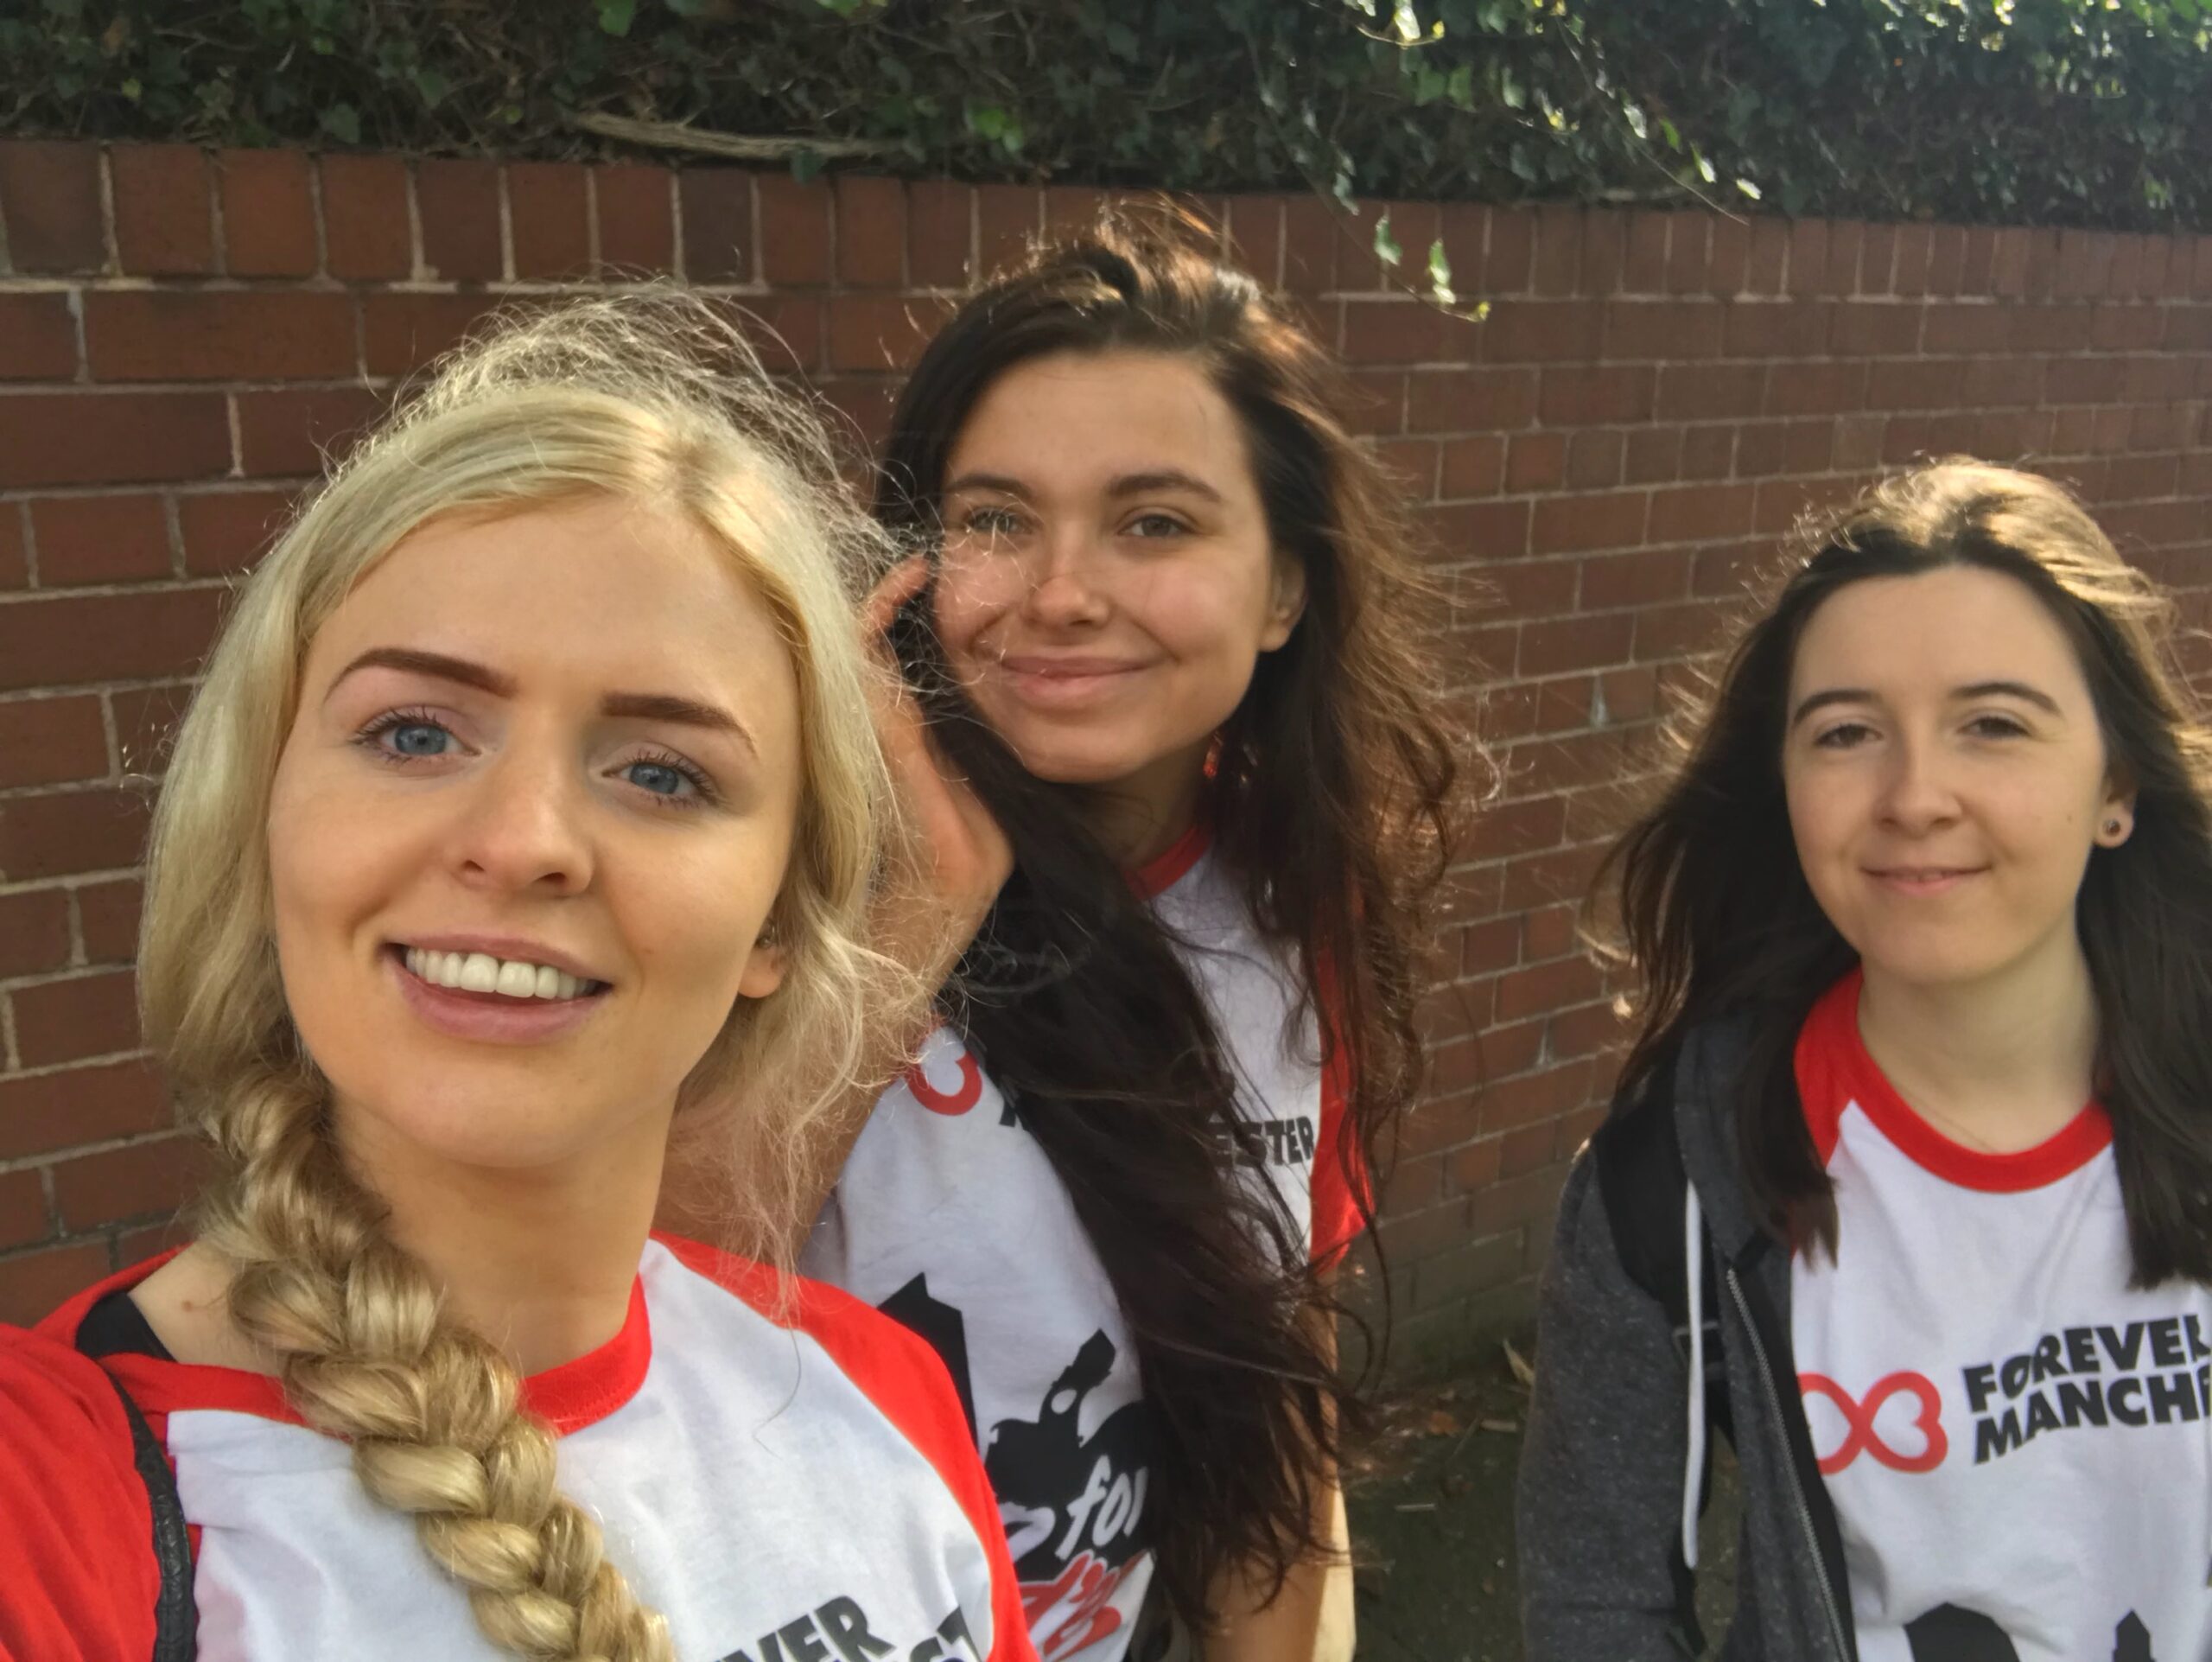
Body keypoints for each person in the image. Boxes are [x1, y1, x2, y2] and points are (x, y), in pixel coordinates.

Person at [0, 296, 1033, 1662]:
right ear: (263, 810)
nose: (525, 841)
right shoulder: (60, 1502)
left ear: (778, 922)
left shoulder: (879, 1392)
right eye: (416, 730)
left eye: (663, 773)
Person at [792, 213, 1466, 1661]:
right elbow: (624, 1307)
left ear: (1286, 585)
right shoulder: (781, 888)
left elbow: (1267, 1398)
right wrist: (911, 917)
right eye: (992, 519)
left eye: (1153, 522)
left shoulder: (1299, 902)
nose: (1060, 594)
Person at [1517, 460, 2212, 1662]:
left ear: (2116, 785)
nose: (1914, 795)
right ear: (1785, 785)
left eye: (1992, 724)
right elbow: (1596, 1606)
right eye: (1846, 734)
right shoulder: (1675, 1186)